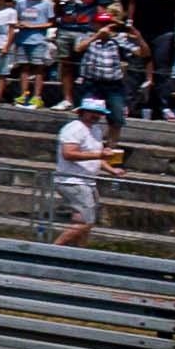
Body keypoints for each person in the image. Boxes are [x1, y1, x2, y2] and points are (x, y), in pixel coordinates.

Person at [52, 99, 112, 246]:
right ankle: (52, 249)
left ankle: (78, 251)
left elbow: (96, 156)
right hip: (72, 181)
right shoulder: (74, 129)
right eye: (92, 112)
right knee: (86, 221)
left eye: (99, 113)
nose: (96, 115)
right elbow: (68, 154)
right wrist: (100, 155)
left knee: (83, 221)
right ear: (82, 112)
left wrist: (112, 170)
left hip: (88, 181)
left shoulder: (96, 130)